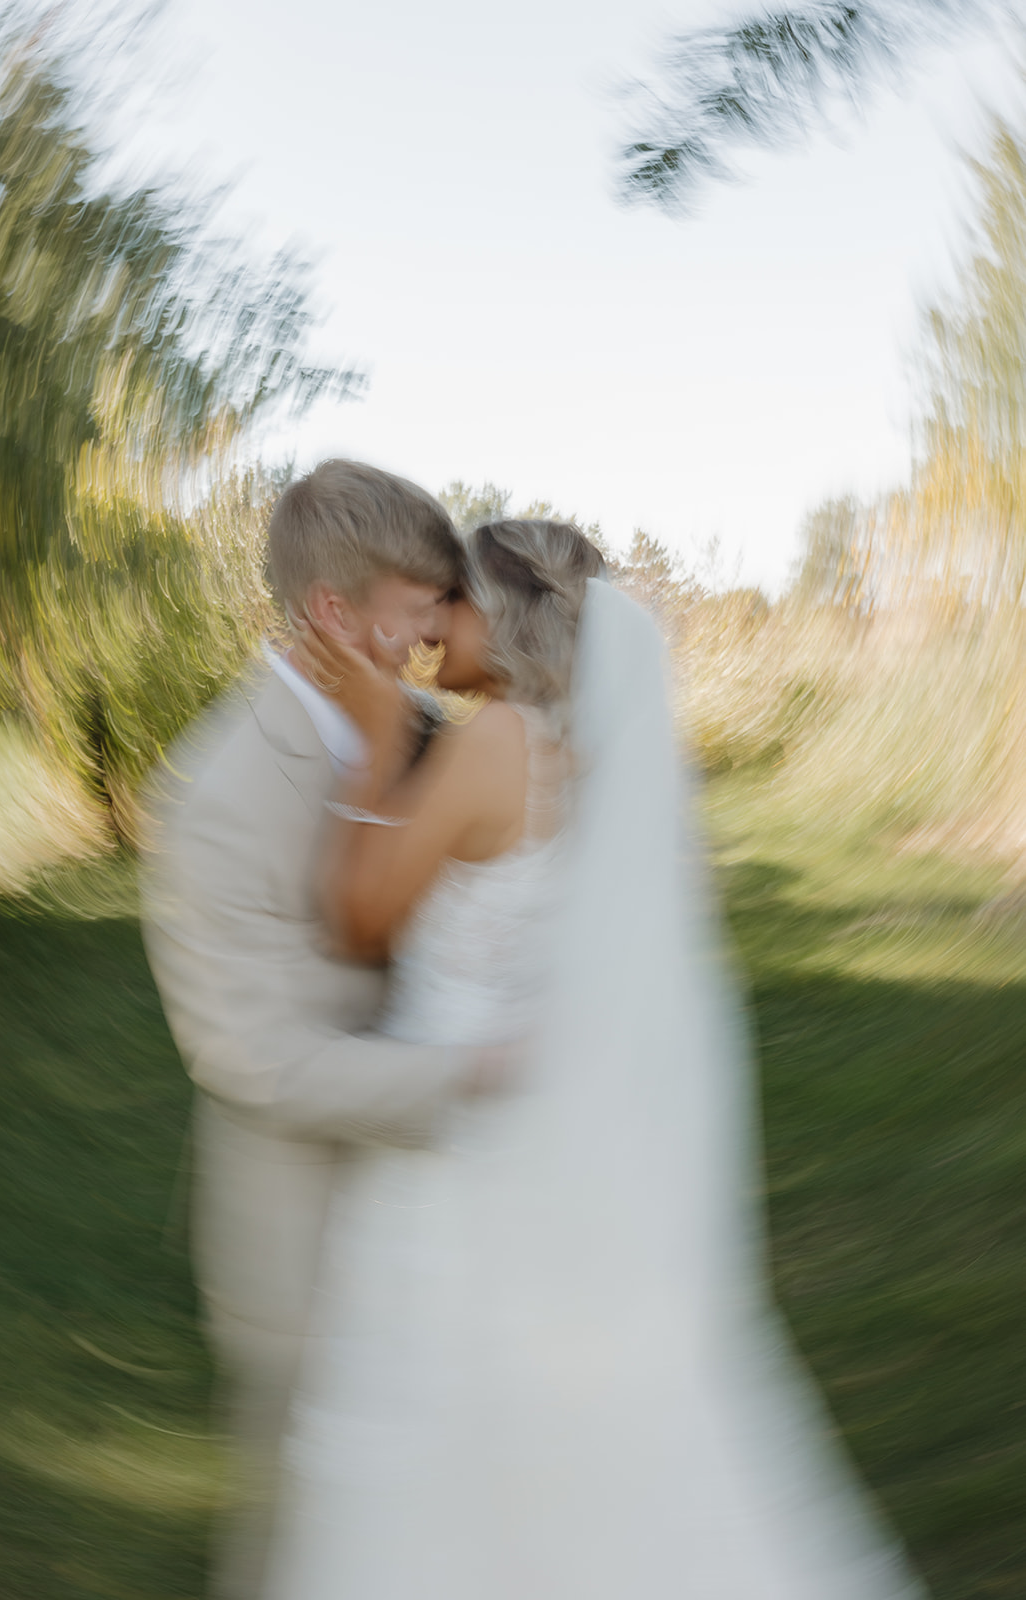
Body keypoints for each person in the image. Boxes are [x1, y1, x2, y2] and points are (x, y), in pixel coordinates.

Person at [264, 519, 928, 1599]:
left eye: (452, 602)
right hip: (547, 1144)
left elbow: (362, 916)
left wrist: (378, 734)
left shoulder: (495, 739)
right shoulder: (598, 756)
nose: (431, 627)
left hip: (459, 1158)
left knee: (450, 1436)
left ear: (505, 613)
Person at [139, 460, 507, 1600]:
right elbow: (257, 1061)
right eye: (420, 606)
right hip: (308, 1249)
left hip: (452, 1226)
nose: (439, 632)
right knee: (306, 1542)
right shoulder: (212, 797)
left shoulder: (436, 733)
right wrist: (476, 1074)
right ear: (335, 615)